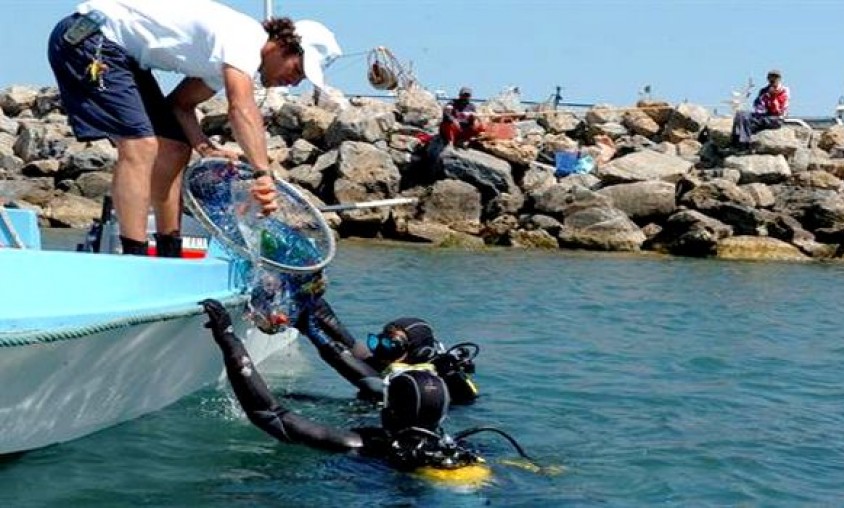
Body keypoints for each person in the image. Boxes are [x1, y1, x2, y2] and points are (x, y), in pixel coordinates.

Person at [47, 1, 343, 256]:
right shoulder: (245, 37)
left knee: (176, 147)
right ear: (283, 46)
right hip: (90, 38)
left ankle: (169, 251)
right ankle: (134, 256)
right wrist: (262, 174)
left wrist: (204, 146)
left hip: (123, 54)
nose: (294, 82)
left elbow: (180, 106)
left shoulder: (226, 61)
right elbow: (241, 107)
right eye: (297, 70)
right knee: (141, 145)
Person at [200, 299, 527, 481]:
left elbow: (268, 413)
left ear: (388, 411)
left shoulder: (367, 445)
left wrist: (228, 338)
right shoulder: (464, 447)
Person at [296, 297, 481, 405]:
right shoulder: (391, 362)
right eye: (380, 341)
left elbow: (349, 366)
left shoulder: (417, 382)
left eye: (390, 345)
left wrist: (313, 332)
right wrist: (313, 300)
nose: (381, 350)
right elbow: (348, 341)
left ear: (417, 353)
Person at [730, 69, 791, 151]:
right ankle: (736, 142)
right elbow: (758, 106)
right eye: (771, 77)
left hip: (776, 118)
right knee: (741, 114)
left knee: (746, 121)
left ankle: (744, 144)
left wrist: (772, 97)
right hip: (763, 116)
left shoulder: (784, 91)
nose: (773, 79)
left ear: (779, 79)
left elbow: (778, 110)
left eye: (775, 77)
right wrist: (763, 102)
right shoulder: (764, 91)